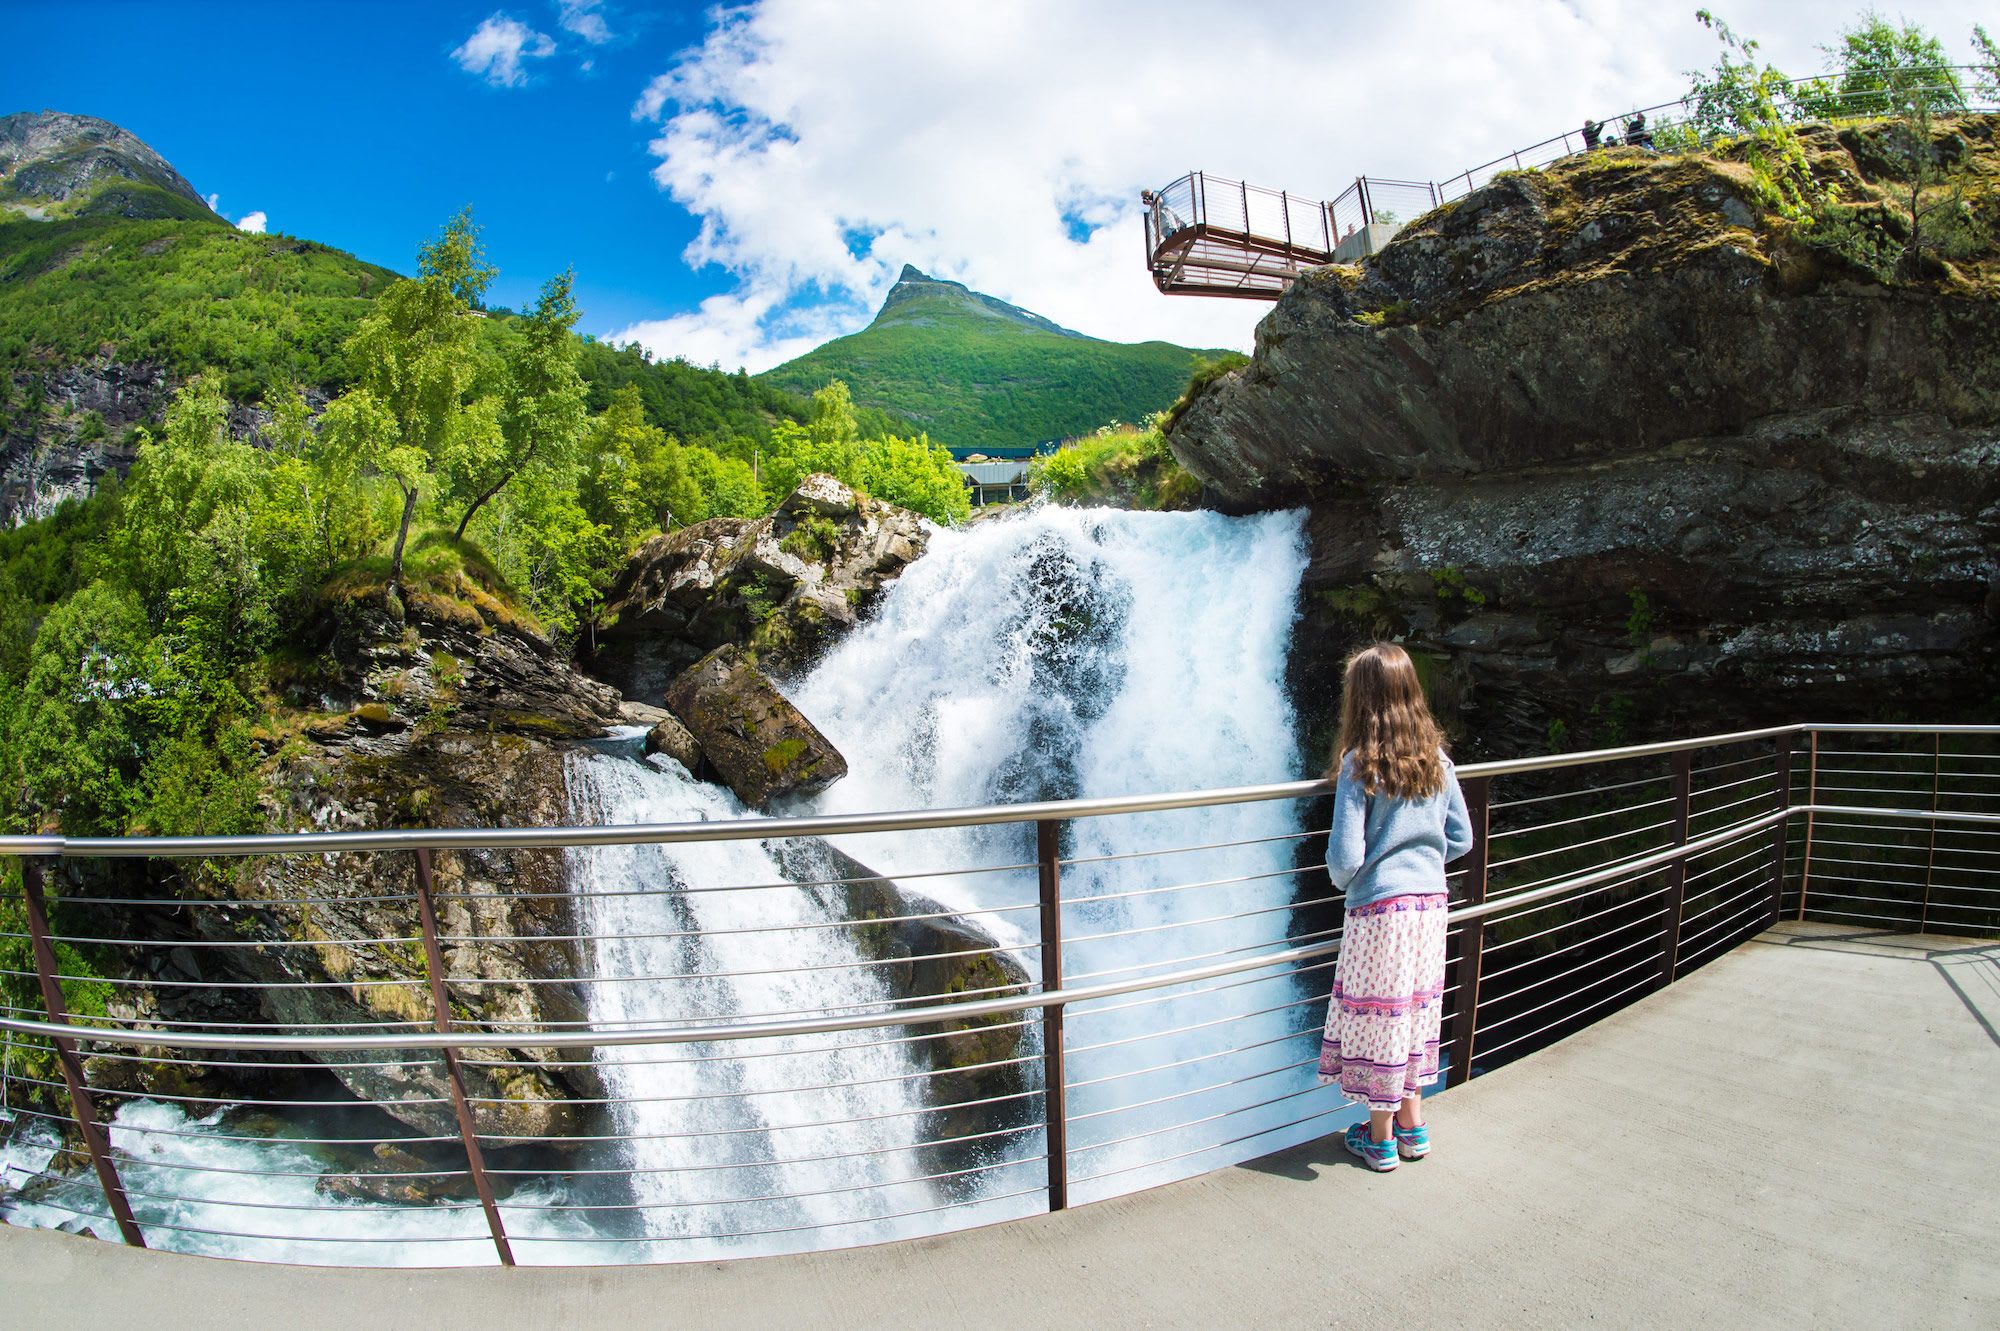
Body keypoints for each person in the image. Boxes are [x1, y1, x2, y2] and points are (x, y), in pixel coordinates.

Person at [1317, 642, 1474, 1173]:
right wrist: (1423, 864)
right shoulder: (1438, 762)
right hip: (1431, 907)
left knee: (1380, 1014)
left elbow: (1345, 855)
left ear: (1360, 701)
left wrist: (1352, 882)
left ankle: (1379, 1140)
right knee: (1413, 1008)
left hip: (1381, 911)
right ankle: (1413, 1128)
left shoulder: (1360, 764)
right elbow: (1462, 839)